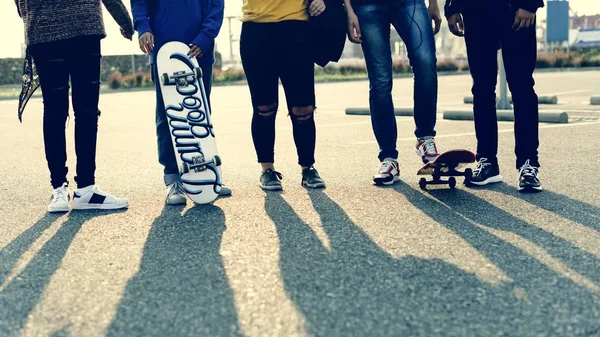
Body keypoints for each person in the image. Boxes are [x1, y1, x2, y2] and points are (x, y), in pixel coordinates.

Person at [15, 0, 135, 212]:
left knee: (55, 112)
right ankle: (84, 188)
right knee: (85, 112)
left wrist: (30, 15)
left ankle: (61, 188)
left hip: (45, 29)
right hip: (82, 26)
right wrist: (125, 21)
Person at [131, 0, 231, 205]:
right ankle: (173, 179)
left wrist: (205, 37)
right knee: (169, 115)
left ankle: (206, 174)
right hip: (163, 51)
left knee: (200, 114)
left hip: (199, 50)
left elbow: (216, 5)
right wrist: (143, 27)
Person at [445, 0, 544, 192]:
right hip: (476, 10)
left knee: (522, 86)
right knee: (482, 88)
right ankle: (487, 161)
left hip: (516, 8)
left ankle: (528, 164)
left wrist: (530, 4)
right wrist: (452, 6)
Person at [344, 0, 443, 186]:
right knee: (380, 80)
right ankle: (388, 158)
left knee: (425, 62)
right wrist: (349, 10)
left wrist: (433, 3)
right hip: (366, 5)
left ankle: (425, 137)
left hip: (409, 2)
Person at [240, 0, 328, 191]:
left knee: (303, 109)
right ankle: (267, 170)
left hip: (296, 26)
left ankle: (308, 168)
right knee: (264, 107)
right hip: (256, 29)